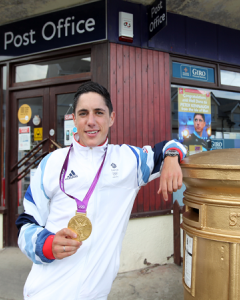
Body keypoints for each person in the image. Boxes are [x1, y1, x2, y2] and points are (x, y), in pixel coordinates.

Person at [16, 81, 186, 300]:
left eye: (99, 112)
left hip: (95, 295)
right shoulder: (51, 163)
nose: (91, 121)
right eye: (83, 113)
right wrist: (46, 244)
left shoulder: (129, 161)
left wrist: (172, 157)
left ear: (111, 118)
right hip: (45, 293)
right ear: (74, 119)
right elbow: (25, 226)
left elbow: (172, 145)